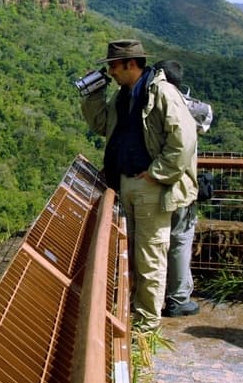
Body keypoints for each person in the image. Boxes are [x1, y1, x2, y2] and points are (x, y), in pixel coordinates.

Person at [81, 40, 198, 331]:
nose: (110, 71)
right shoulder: (123, 95)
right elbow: (102, 125)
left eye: (113, 66)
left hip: (151, 187)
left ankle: (146, 326)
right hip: (127, 183)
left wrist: (157, 173)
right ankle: (135, 313)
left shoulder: (161, 93)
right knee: (130, 251)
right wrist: (92, 95)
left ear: (130, 64)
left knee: (150, 255)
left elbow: (184, 140)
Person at [153, 59, 211, 317]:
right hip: (181, 187)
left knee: (156, 243)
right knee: (179, 242)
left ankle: (154, 299)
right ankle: (178, 299)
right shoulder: (185, 107)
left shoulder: (151, 103)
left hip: (154, 186)